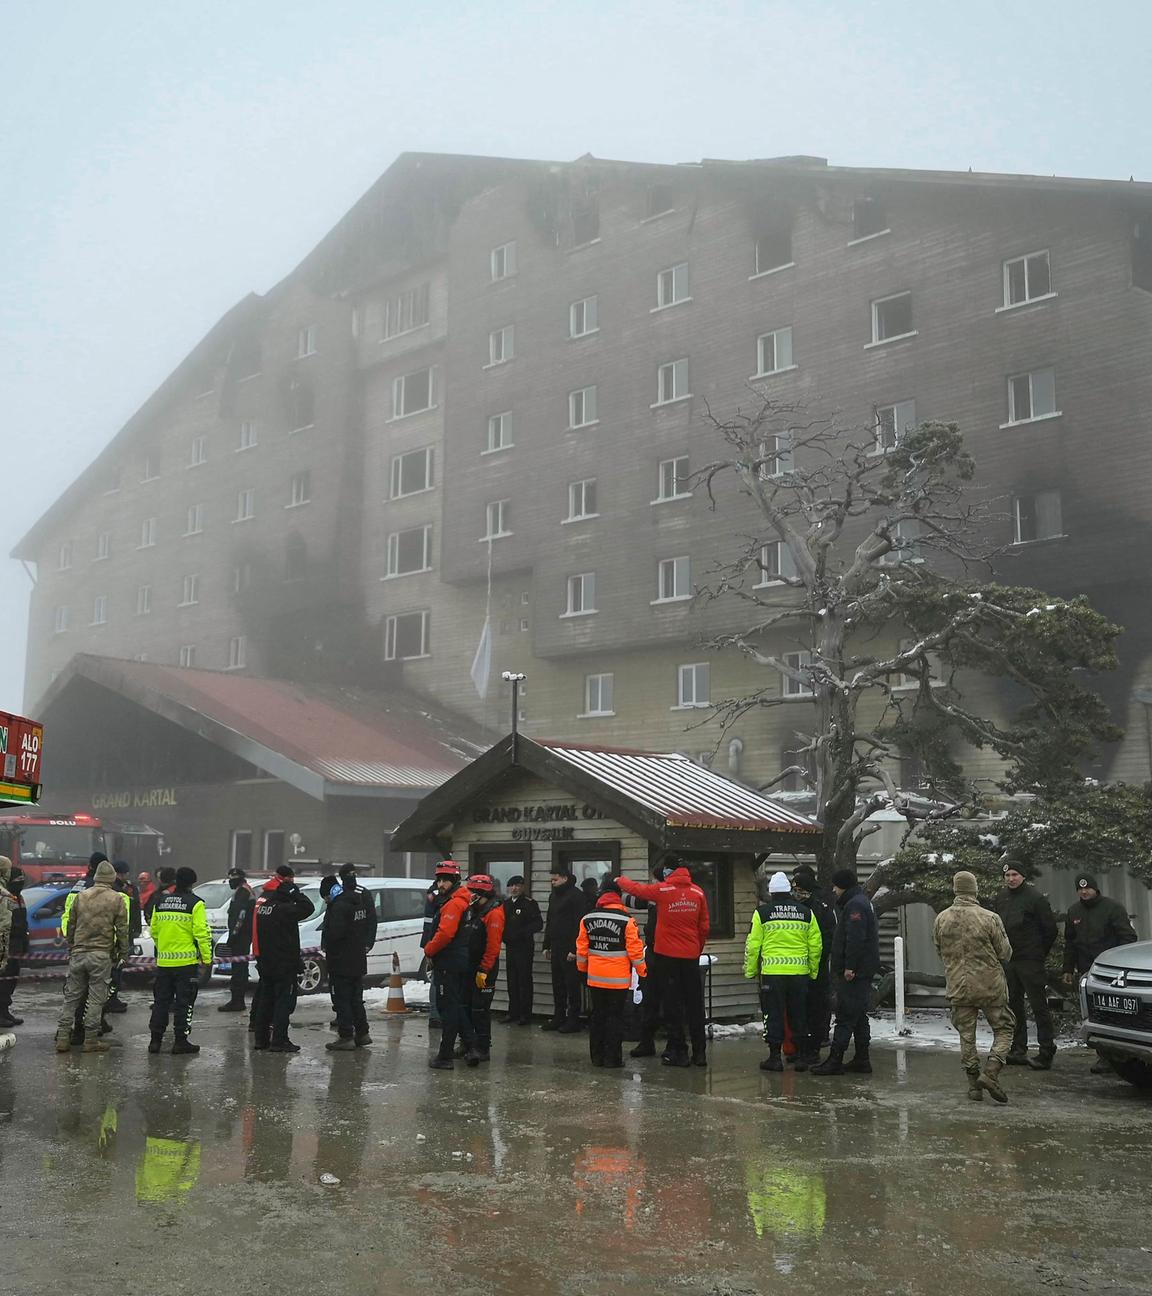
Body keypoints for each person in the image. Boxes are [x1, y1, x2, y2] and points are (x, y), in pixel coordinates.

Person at [933, 870, 1016, 1103]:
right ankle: (991, 1072)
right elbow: (1005, 952)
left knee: (966, 1035)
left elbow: (939, 950)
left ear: (955, 889)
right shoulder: (989, 918)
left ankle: (973, 1086)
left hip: (958, 985)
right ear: (975, 889)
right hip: (990, 985)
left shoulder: (942, 918)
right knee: (1005, 1028)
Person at [618, 860, 710, 1067]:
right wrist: (696, 948)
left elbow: (637, 890)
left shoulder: (663, 890)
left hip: (665, 956)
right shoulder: (698, 892)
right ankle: (700, 1053)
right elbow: (704, 926)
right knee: (695, 1005)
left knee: (672, 1005)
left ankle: (679, 1052)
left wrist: (618, 880)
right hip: (690, 957)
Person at [744, 871, 823, 1072]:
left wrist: (751, 970)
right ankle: (801, 1058)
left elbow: (753, 946)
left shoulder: (762, 913)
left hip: (773, 974)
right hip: (799, 974)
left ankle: (774, 1057)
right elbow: (816, 945)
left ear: (771, 892)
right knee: (799, 1014)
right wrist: (812, 972)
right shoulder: (806, 913)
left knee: (774, 1014)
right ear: (788, 891)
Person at [1062, 873, 1139, 1075]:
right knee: (1093, 1013)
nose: (1084, 891)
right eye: (1080, 889)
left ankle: (1122, 1056)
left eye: (1088, 888)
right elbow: (1070, 943)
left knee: (1114, 1013)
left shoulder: (1112, 908)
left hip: (1111, 973)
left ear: (1096, 889)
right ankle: (1103, 1056)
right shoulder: (1074, 911)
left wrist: (1122, 968)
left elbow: (1128, 938)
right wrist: (1068, 969)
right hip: (1087, 971)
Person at [811, 868, 880, 1077]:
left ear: (843, 885)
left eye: (835, 886)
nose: (833, 890)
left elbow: (855, 938)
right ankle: (862, 1059)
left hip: (855, 972)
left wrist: (850, 967)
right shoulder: (860, 901)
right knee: (858, 1015)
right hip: (863, 969)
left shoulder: (855, 905)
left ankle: (835, 1059)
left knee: (845, 1014)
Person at [991, 855, 1058, 1069]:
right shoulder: (1001, 898)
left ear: (1023, 876)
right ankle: (1018, 1049)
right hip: (1010, 960)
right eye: (1007, 875)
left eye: (1014, 875)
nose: (1011, 879)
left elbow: (1050, 930)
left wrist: (1038, 953)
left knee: (1039, 1006)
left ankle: (1046, 1050)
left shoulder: (1035, 898)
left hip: (1030, 960)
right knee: (1014, 1006)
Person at [55, 860, 129, 1054]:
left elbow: (71, 922)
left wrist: (72, 943)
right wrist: (123, 952)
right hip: (101, 955)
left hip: (79, 953)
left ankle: (63, 1038)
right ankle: (90, 1040)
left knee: (71, 998)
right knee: (96, 999)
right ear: (112, 879)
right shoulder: (117, 899)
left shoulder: (81, 896)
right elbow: (122, 929)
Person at [576, 878, 647, 1068]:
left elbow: (582, 950)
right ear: (618, 897)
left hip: (594, 978)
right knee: (615, 1018)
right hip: (618, 980)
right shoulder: (627, 921)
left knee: (598, 1016)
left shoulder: (587, 918)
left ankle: (596, 1058)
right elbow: (635, 952)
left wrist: (582, 972)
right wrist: (643, 973)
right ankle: (612, 1059)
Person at [148, 866, 213, 1056]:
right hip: (186, 965)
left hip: (164, 964)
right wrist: (206, 958)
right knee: (184, 1003)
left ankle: (155, 1041)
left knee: (161, 1002)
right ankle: (180, 1041)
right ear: (193, 883)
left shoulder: (161, 901)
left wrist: (163, 948)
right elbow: (202, 933)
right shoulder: (196, 904)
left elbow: (154, 930)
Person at [250, 866, 315, 1053]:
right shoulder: (285, 910)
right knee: (283, 1002)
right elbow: (308, 908)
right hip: (284, 963)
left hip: (266, 961)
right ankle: (279, 1039)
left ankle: (261, 1039)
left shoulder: (264, 908)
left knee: (266, 1000)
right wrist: (296, 893)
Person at [423, 862, 480, 1070]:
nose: (441, 883)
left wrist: (429, 949)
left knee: (448, 1008)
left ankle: (445, 1055)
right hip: (454, 959)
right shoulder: (456, 901)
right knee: (454, 1005)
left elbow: (445, 933)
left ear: (454, 880)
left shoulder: (454, 904)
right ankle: (473, 1046)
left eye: (445, 879)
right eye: (439, 879)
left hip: (449, 960)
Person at [323, 863, 378, 1051]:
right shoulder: (358, 900)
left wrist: (328, 947)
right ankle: (362, 1033)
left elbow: (335, 933)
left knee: (343, 998)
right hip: (357, 957)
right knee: (355, 998)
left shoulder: (340, 905)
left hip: (341, 959)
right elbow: (367, 922)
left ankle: (346, 1035)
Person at [791, 864, 836, 1061]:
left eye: (799, 889)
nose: (796, 893)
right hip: (800, 966)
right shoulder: (801, 907)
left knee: (816, 1007)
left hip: (815, 966)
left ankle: (814, 1047)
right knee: (802, 1008)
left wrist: (815, 962)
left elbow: (826, 938)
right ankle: (803, 1047)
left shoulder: (820, 907)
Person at [541, 868, 591, 1034]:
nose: (552, 883)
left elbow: (580, 924)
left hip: (569, 948)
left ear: (564, 878)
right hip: (555, 945)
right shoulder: (554, 896)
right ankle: (559, 1016)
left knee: (572, 985)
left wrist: (574, 949)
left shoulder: (576, 896)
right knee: (558, 984)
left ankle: (573, 1018)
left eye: (555, 880)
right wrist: (546, 945)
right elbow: (550, 921)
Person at [463, 874, 505, 1060]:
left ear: (480, 893)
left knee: (480, 1008)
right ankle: (468, 1043)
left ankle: (482, 1047)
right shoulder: (475, 910)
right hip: (470, 964)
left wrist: (484, 969)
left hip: (484, 967)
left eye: (471, 892)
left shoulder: (493, 913)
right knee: (467, 1005)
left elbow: (493, 946)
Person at [629, 863, 667, 1058]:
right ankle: (648, 1042)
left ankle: (654, 1042)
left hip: (660, 953)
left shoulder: (663, 896)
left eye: (653, 878)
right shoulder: (655, 898)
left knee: (653, 1000)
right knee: (653, 1000)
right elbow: (637, 901)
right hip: (658, 953)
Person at [501, 874, 542, 1025]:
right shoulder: (505, 904)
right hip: (510, 947)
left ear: (523, 887)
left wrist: (522, 933)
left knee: (524, 981)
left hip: (524, 947)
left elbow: (538, 924)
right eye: (511, 886)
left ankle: (525, 1014)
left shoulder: (529, 904)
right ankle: (513, 1012)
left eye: (517, 885)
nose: (514, 888)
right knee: (512, 980)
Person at [106, 861, 142, 1014]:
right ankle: (110, 999)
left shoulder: (127, 888)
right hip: (117, 937)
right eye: (125, 873)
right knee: (114, 971)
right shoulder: (115, 889)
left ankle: (113, 998)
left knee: (118, 970)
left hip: (125, 933)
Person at [218, 867, 255, 1012]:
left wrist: (233, 936)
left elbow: (240, 916)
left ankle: (237, 1001)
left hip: (241, 937)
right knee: (240, 968)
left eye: (231, 880)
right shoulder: (243, 890)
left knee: (239, 969)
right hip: (243, 936)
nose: (229, 883)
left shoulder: (243, 892)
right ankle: (237, 1000)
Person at [0, 863, 28, 1027]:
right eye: (18, 879)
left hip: (17, 945)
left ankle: (5, 1010)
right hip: (6, 944)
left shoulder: (19, 897)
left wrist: (25, 941)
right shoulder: (5, 896)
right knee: (3, 980)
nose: (21, 882)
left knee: (12, 979)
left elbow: (23, 921)